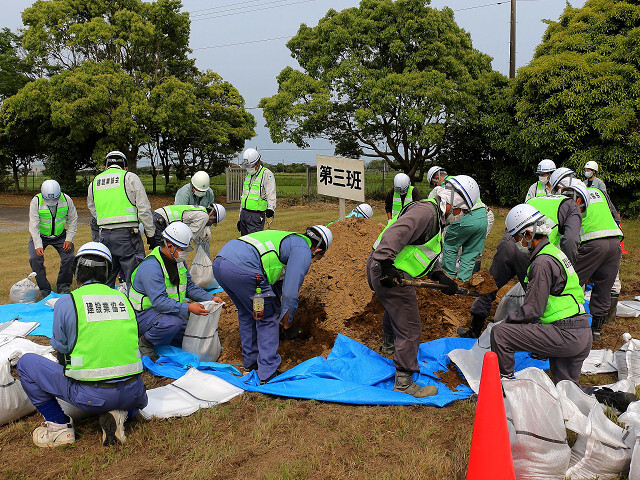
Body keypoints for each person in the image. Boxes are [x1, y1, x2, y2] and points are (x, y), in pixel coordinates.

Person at [17, 242, 147, 447]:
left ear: (76, 272)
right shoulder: (124, 299)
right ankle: (121, 412)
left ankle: (59, 428)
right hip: (135, 395)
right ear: (107, 272)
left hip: (91, 396)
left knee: (26, 364)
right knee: (125, 396)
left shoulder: (67, 303)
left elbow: (62, 353)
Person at [367, 175, 480, 397]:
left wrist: (439, 276)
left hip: (383, 267)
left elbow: (424, 248)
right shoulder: (426, 213)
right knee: (410, 327)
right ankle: (404, 381)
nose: (462, 216)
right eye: (463, 211)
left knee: (394, 309)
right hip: (389, 271)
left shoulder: (435, 216)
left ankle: (389, 346)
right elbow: (396, 232)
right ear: (453, 204)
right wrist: (386, 264)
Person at [457, 179, 581, 339]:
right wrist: (563, 269)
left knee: (489, 285)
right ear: (579, 199)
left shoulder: (537, 197)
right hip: (529, 245)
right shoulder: (572, 207)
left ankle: (474, 329)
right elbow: (571, 240)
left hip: (509, 240)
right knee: (537, 297)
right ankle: (540, 342)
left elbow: (517, 217)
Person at [212, 225, 332, 383]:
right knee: (266, 317)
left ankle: (251, 363)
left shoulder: (287, 239)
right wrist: (287, 325)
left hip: (221, 263)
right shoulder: (302, 249)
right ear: (317, 250)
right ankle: (267, 372)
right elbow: (290, 293)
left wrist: (277, 307)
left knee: (249, 313)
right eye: (316, 258)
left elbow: (275, 286)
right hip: (244, 269)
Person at [489, 204, 592, 384]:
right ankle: (607, 396)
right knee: (567, 391)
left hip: (565, 334)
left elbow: (532, 310)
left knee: (500, 333)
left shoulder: (541, 263)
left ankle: (503, 388)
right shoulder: (554, 252)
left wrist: (506, 322)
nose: (515, 243)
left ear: (528, 234)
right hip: (582, 333)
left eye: (516, 238)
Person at [129, 222, 223, 362]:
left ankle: (165, 336)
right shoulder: (151, 267)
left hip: (163, 312)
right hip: (142, 315)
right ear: (170, 246)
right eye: (183, 249)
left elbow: (189, 287)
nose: (185, 253)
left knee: (193, 329)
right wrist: (189, 307)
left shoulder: (178, 261)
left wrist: (209, 298)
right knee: (173, 324)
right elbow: (159, 302)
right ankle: (144, 342)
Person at [555, 181, 622, 340]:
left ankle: (564, 323)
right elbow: (615, 217)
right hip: (614, 242)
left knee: (570, 282)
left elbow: (568, 235)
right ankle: (596, 330)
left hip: (591, 243)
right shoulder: (599, 192)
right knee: (604, 286)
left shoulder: (570, 197)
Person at [87, 151, 155, 289]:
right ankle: (135, 309)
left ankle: (108, 306)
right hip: (127, 236)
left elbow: (92, 208)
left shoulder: (95, 182)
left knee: (107, 277)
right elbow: (144, 208)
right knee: (134, 277)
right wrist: (151, 234)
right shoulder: (129, 177)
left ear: (105, 167)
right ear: (125, 167)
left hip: (104, 236)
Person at [28, 179, 78, 297]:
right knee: (35, 259)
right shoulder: (36, 201)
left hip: (60, 236)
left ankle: (63, 285)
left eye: (54, 199)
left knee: (69, 257)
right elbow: (33, 225)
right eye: (48, 199)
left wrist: (68, 239)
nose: (51, 202)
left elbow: (73, 219)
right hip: (41, 235)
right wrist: (38, 245)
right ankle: (45, 290)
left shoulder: (66, 199)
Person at [150, 203, 226, 254]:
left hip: (157, 216)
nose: (210, 223)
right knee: (162, 254)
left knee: (159, 251)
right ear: (212, 214)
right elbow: (189, 235)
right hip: (160, 221)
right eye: (213, 221)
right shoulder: (204, 216)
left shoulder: (200, 209)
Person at [238, 148, 276, 235]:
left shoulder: (266, 174)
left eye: (250, 166)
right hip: (244, 214)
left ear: (258, 162)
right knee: (244, 242)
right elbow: (244, 197)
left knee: (254, 243)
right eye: (247, 166)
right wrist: (240, 218)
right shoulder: (248, 176)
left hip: (256, 216)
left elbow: (271, 193)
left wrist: (271, 208)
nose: (248, 168)